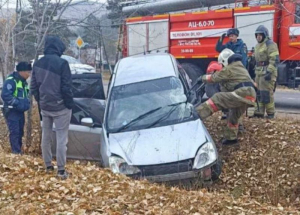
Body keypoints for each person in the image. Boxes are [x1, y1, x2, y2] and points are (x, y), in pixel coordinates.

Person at [31, 36, 74, 179]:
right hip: (61, 107)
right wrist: (69, 104)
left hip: (45, 106)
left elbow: (34, 87)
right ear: (58, 48)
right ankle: (61, 170)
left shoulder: (37, 63)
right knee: (62, 139)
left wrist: (41, 100)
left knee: (46, 136)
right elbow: (66, 87)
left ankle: (48, 165)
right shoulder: (62, 63)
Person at [196, 49, 256, 145]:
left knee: (218, 98)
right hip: (250, 95)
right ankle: (231, 139)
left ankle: (196, 114)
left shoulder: (230, 68)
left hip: (243, 92)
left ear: (224, 60)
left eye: (222, 64)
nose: (222, 67)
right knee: (233, 115)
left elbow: (214, 78)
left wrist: (202, 78)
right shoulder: (240, 67)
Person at [1, 62, 31, 154]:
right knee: (15, 132)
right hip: (12, 111)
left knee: (20, 132)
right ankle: (16, 152)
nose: (29, 74)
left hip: (20, 111)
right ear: (22, 72)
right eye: (28, 72)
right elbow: (5, 95)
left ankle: (19, 150)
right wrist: (17, 103)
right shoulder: (11, 80)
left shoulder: (23, 82)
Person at [253, 25, 279, 119]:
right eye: (257, 35)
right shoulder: (257, 46)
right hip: (258, 72)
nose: (258, 36)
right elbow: (255, 60)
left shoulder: (270, 44)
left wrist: (269, 71)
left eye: (260, 34)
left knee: (267, 93)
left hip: (267, 72)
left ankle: (270, 114)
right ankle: (258, 113)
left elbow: (274, 59)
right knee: (258, 93)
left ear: (265, 35)